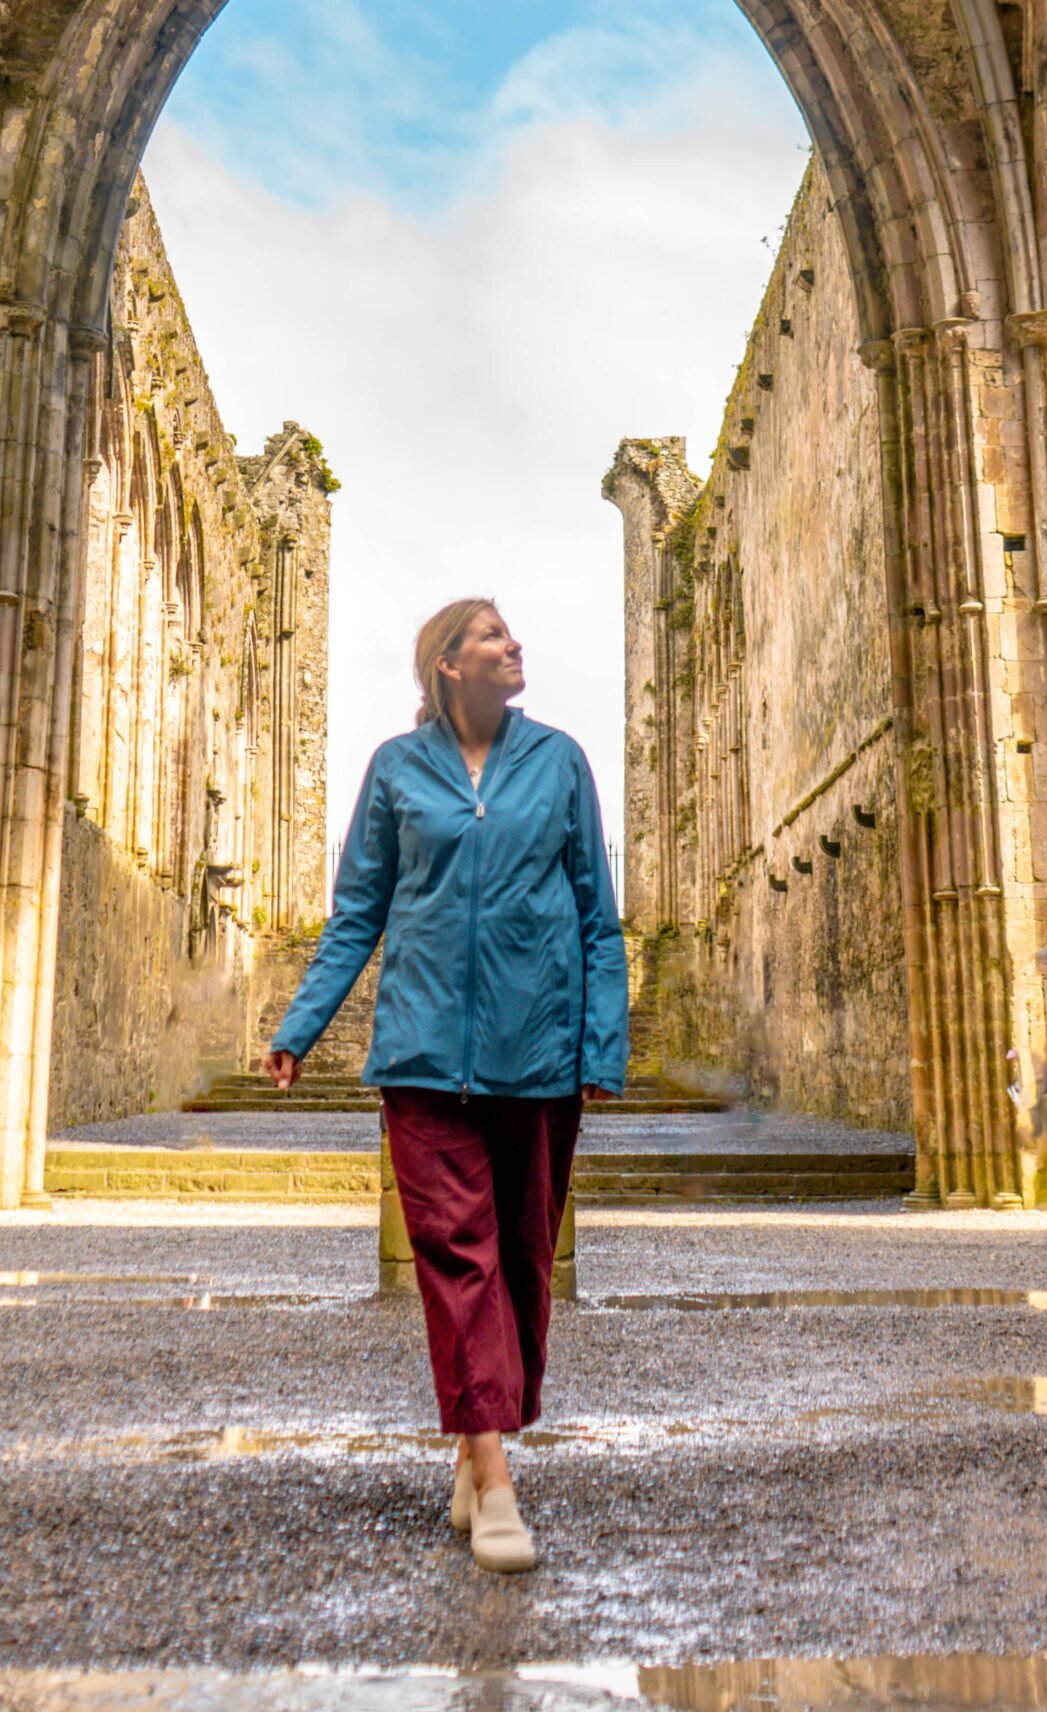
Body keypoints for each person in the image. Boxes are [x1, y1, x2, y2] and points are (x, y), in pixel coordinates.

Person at [267, 597, 628, 1573]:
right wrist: (300, 1026)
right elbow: (358, 913)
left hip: (538, 1052)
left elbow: (596, 915)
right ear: (446, 666)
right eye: (492, 637)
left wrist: (601, 1045)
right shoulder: (396, 768)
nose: (516, 646)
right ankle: (498, 1478)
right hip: (422, 1055)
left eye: (511, 636)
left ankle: (476, 1445)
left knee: (519, 1267)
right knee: (457, 1261)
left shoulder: (558, 762)